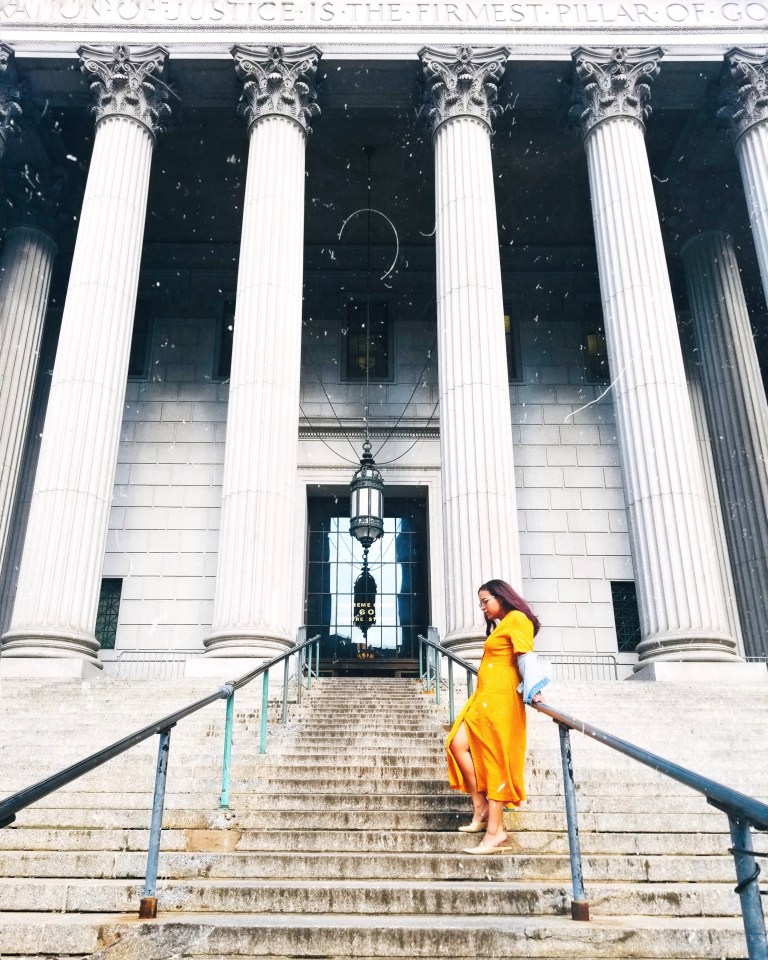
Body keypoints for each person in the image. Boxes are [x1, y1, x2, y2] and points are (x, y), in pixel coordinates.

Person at [446, 578, 544, 855]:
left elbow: (525, 657)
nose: (483, 608)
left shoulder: (518, 619)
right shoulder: (504, 623)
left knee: (495, 759)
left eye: (486, 601)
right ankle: (481, 809)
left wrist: (534, 690)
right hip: (484, 699)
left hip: (501, 700)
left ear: (502, 596)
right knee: (456, 744)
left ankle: (495, 832)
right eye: (480, 603)